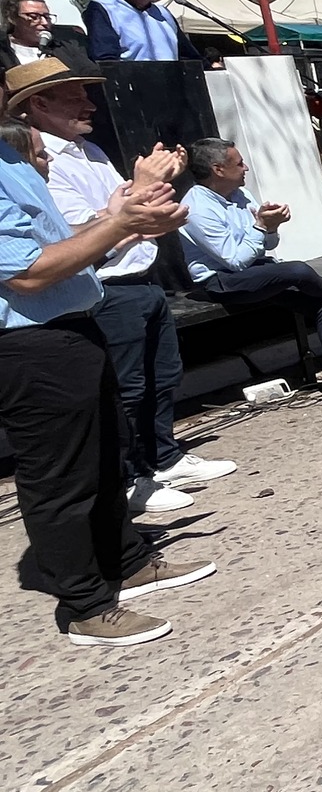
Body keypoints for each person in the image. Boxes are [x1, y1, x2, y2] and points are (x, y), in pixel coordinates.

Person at [1, 65, 213, 647]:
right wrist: (120, 221)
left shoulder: (9, 159)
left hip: (71, 324)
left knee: (103, 460)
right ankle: (86, 606)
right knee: (60, 478)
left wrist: (118, 216)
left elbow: (55, 240)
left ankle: (126, 561)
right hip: (28, 342)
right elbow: (26, 273)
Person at [15, 58, 235, 515]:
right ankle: (132, 478)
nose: (89, 105)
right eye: (75, 97)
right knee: (127, 388)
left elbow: (127, 211)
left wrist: (153, 189)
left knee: (162, 375)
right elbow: (78, 230)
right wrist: (142, 187)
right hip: (107, 285)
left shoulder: (91, 152)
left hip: (141, 277)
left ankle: (163, 457)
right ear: (39, 104)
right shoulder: (41, 163)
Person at [179, 138, 322, 401]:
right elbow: (234, 261)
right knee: (298, 271)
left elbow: (267, 246)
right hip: (221, 282)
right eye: (239, 163)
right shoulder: (197, 208)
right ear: (218, 170)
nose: (246, 168)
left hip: (256, 272)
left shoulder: (241, 195)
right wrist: (261, 226)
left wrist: (271, 227)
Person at [5, 0, 53, 66]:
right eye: (34, 16)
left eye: (47, 17)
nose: (45, 23)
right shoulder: (4, 52)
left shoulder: (64, 50)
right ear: (12, 18)